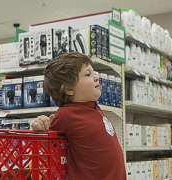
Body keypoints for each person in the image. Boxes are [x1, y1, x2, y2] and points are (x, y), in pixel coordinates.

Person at [31, 52, 126, 180]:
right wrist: (39, 126)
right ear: (68, 89)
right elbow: (45, 148)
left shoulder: (94, 108)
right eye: (88, 74)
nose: (96, 77)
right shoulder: (66, 115)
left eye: (94, 72)